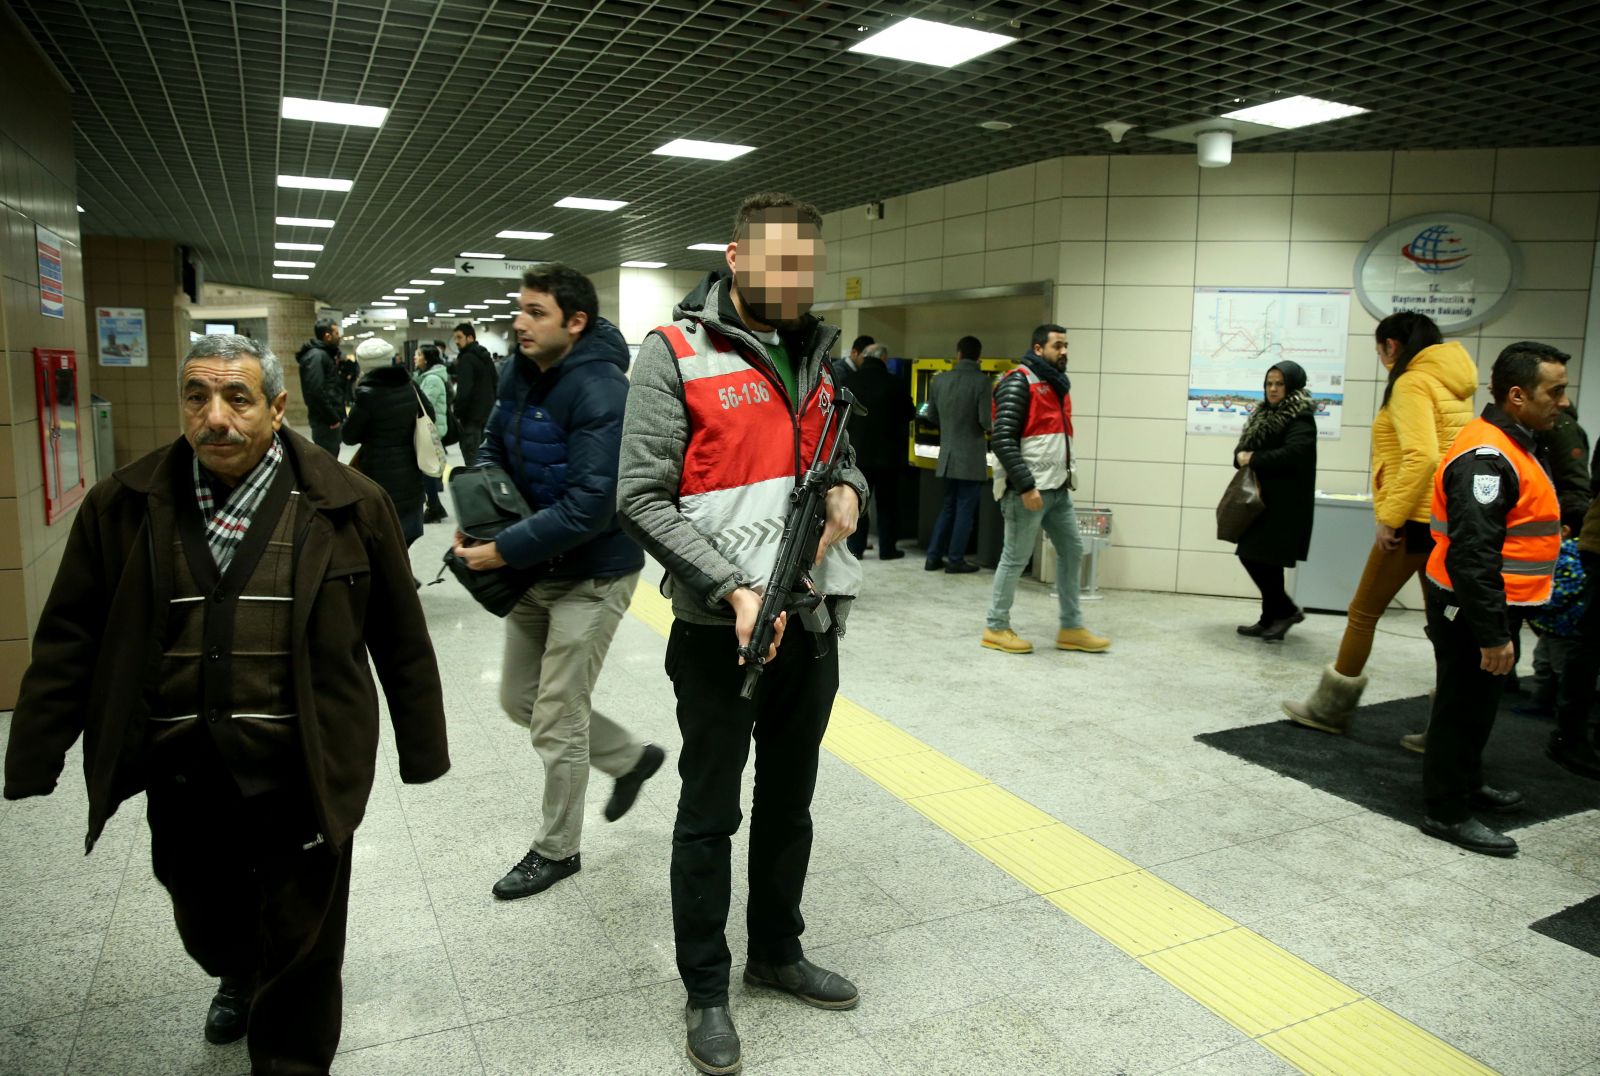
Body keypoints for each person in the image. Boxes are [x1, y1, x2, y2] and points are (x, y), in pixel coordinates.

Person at [3, 333, 450, 1073]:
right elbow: (69, 638)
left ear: (277, 408)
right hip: (182, 773)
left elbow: (401, 640)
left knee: (306, 947)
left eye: (238, 398)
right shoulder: (124, 506)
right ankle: (237, 968)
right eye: (197, 397)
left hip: (302, 766)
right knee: (204, 917)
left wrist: (422, 748)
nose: (216, 417)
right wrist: (36, 753)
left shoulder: (347, 505)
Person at [617, 192, 867, 1075]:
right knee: (710, 812)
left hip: (813, 622)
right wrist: (729, 589)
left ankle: (776, 953)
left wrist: (853, 495)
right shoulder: (674, 352)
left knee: (789, 804)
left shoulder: (823, 359)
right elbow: (639, 495)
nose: (796, 281)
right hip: (718, 632)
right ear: (736, 255)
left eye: (809, 264)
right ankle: (705, 988)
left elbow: (843, 466)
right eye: (779, 262)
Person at [450, 264, 661, 900]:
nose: (519, 322)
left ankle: (556, 850)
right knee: (519, 699)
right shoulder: (521, 370)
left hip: (592, 575)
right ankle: (630, 758)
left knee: (556, 715)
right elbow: (492, 443)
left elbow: (591, 507)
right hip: (536, 564)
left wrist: (502, 551)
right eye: (521, 308)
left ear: (575, 321)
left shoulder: (602, 390)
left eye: (535, 312)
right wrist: (484, 516)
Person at [1282, 312, 1474, 729]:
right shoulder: (1455, 384)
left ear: (1392, 346)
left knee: (1363, 611)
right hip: (1447, 517)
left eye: (1380, 349)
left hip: (1414, 519)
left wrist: (1390, 517)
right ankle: (1451, 726)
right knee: (1444, 622)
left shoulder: (1411, 383)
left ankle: (1330, 708)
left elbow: (1421, 457)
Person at [1419, 342, 1566, 855]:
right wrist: (1491, 634)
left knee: (1478, 705)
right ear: (1518, 395)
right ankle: (1446, 810)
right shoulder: (1487, 457)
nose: (1563, 402)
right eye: (1556, 391)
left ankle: (1469, 780)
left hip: (1491, 604)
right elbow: (1471, 556)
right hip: (1470, 608)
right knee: (1461, 707)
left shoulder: (1516, 441)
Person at [982, 324, 1109, 655]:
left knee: (1072, 550)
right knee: (1015, 558)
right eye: (1058, 346)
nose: (1064, 351)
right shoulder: (1018, 382)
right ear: (1038, 349)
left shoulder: (1055, 385)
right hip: (1027, 492)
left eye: (1066, 345)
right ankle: (995, 627)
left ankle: (1071, 627)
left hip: (1057, 491)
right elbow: (1003, 440)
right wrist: (1025, 485)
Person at [1230, 362, 1317, 642]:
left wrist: (1252, 458)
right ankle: (1270, 618)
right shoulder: (1263, 414)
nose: (1273, 389)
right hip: (1262, 502)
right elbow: (1240, 453)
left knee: (1254, 555)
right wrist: (1243, 457)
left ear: (1291, 386)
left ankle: (1287, 611)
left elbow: (1295, 454)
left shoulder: (1300, 417)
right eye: (1269, 383)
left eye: (1279, 384)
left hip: (1285, 505)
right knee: (1265, 561)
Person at [343, 337, 433, 548]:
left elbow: (348, 436)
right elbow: (430, 415)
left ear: (362, 364)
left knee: (383, 541)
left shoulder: (367, 394)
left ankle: (395, 579)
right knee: (405, 539)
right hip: (412, 473)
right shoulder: (409, 385)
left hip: (379, 477)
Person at [924, 334, 992, 573]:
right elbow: (986, 421)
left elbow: (930, 416)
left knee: (948, 507)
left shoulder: (939, 381)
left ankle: (933, 557)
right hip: (970, 458)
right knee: (965, 510)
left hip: (947, 456)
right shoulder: (982, 382)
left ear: (959, 354)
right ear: (979, 356)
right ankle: (955, 560)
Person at [844, 343, 915, 560]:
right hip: (889, 456)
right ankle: (887, 548)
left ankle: (856, 547)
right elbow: (909, 413)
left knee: (858, 502)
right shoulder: (896, 383)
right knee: (887, 505)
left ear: (864, 358)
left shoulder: (850, 382)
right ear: (884, 359)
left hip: (858, 455)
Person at [294, 318, 347, 456]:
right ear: (327, 336)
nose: (339, 336)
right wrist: (333, 418)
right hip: (325, 422)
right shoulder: (317, 356)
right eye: (336, 333)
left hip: (328, 420)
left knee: (330, 460)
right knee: (328, 463)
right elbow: (315, 391)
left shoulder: (323, 355)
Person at [451, 322, 498, 465]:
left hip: (471, 420)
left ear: (470, 337)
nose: (456, 342)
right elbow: (495, 383)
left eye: (459, 337)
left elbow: (464, 392)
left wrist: (457, 413)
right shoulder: (486, 357)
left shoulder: (466, 359)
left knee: (472, 462)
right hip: (487, 418)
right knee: (485, 460)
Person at [413, 345, 450, 522]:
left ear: (426, 359)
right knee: (426, 467)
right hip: (430, 427)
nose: (415, 357)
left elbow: (426, 405)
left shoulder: (433, 379)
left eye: (418, 354)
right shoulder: (423, 376)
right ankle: (435, 506)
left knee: (427, 468)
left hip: (431, 428)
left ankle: (434, 507)